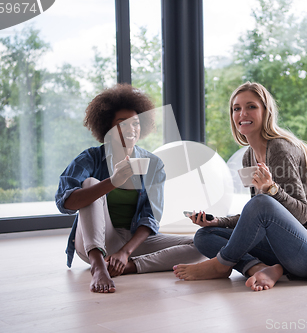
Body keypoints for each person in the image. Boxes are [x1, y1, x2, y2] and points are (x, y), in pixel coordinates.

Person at [173, 82, 307, 291]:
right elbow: (256, 215)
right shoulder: (249, 156)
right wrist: (219, 221)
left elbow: (301, 215)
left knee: (262, 202)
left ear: (266, 111)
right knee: (205, 236)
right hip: (283, 248)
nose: (242, 113)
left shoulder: (280, 148)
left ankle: (221, 265)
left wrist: (272, 189)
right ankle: (261, 268)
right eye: (236, 108)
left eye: (251, 106)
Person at [56, 84, 204, 293]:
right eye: (121, 123)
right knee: (91, 183)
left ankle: (128, 266)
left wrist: (125, 253)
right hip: (94, 243)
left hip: (133, 241)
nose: (130, 129)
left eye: (135, 123)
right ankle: (99, 266)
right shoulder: (90, 158)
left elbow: (150, 217)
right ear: (107, 126)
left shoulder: (153, 164)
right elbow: (66, 202)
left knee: (200, 245)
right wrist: (112, 182)